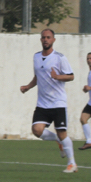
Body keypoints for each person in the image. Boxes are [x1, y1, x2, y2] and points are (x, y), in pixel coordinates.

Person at [20, 28, 77, 173]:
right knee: (36, 130)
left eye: (48, 37)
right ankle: (58, 141)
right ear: (41, 40)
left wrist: (57, 77)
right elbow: (37, 77)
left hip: (58, 103)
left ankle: (72, 163)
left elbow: (71, 76)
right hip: (43, 103)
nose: (45, 39)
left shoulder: (59, 58)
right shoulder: (36, 57)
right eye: (43, 37)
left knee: (62, 133)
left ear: (53, 40)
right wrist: (28, 86)